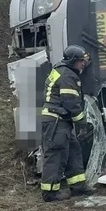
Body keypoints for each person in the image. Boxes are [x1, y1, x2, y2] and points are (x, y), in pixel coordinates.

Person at [39, 45, 93, 202]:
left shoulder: (62, 70)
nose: (83, 64)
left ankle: (78, 186)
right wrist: (82, 122)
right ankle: (50, 192)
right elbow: (71, 103)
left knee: (74, 151)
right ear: (72, 61)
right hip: (56, 121)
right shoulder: (68, 76)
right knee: (56, 155)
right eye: (80, 61)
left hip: (59, 120)